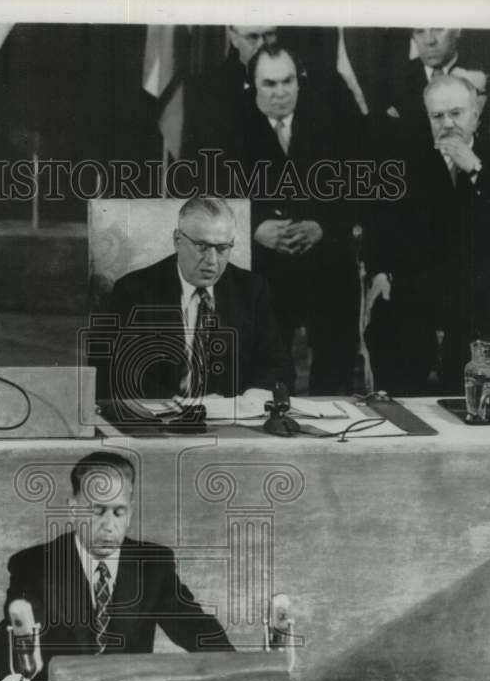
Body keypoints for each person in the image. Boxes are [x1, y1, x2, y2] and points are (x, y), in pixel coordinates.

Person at [0, 452, 233, 681]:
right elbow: (16, 632)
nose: (109, 525)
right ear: (73, 510)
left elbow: (196, 627)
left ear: (130, 513)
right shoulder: (34, 565)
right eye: (97, 511)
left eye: (119, 512)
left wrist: (240, 672)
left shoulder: (153, 565)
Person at [364, 74, 490, 395]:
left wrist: (475, 170)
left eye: (456, 113)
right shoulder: (407, 162)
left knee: (477, 333)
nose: (447, 124)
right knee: (389, 323)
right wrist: (380, 272)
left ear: (476, 115)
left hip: (478, 294)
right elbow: (379, 224)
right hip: (419, 291)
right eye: (438, 116)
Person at [221, 44, 362, 394]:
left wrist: (323, 226)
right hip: (264, 265)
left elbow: (362, 184)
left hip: (326, 260)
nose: (280, 92)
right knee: (266, 374)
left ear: (299, 82)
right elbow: (211, 195)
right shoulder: (227, 125)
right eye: (269, 84)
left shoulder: (331, 118)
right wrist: (255, 228)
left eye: (287, 82)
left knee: (335, 371)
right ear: (252, 85)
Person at [98, 197, 292, 400]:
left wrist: (249, 398)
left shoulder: (252, 289)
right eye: (201, 246)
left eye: (222, 248)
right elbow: (112, 372)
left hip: (233, 420)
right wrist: (181, 405)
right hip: (165, 420)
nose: (212, 261)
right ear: (177, 240)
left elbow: (280, 367)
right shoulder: (134, 291)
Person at [183, 25, 278, 159]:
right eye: (253, 37)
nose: (262, 44)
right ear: (234, 38)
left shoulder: (297, 84)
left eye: (269, 35)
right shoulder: (208, 89)